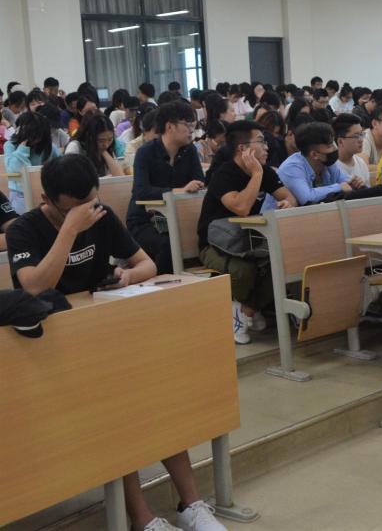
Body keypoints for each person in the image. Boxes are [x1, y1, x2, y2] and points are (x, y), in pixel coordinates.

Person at [5, 155, 222, 531]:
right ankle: (142, 518)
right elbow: (35, 286)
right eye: (73, 208)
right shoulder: (25, 229)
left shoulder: (100, 214)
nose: (86, 212)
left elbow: (147, 265)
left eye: (91, 202)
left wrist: (126, 277)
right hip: (51, 346)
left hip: (103, 332)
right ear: (46, 199)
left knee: (156, 402)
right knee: (115, 418)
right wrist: (70, 229)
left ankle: (191, 504)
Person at [197, 122, 297, 344]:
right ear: (243, 148)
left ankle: (245, 310)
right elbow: (241, 208)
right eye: (261, 141)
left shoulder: (265, 172)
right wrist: (256, 174)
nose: (267, 147)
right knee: (243, 271)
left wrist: (288, 203)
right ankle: (242, 311)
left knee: (281, 263)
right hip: (215, 245)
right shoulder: (224, 174)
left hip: (249, 242)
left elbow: (289, 197)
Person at [126, 102, 205, 275]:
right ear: (170, 126)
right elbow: (141, 192)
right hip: (144, 220)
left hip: (178, 218)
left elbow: (199, 181)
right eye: (187, 125)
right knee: (167, 245)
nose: (191, 130)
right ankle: (165, 286)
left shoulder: (189, 151)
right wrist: (178, 191)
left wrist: (196, 186)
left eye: (193, 125)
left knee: (205, 237)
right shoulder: (145, 153)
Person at [277, 122, 356, 205]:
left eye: (333, 143)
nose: (335, 148)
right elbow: (307, 198)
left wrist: (354, 183)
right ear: (314, 154)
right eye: (329, 146)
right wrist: (338, 187)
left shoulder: (327, 163)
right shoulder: (292, 168)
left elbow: (345, 182)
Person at [4, 111, 61, 213]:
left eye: (39, 135)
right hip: (20, 195)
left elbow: (61, 167)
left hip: (46, 193)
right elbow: (15, 171)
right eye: (33, 135)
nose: (37, 139)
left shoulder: (48, 147)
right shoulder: (10, 145)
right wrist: (22, 148)